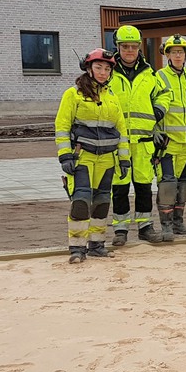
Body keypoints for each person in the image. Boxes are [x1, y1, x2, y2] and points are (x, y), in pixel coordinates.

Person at [55, 48, 129, 262]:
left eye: (107, 69)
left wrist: (124, 159)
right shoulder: (73, 94)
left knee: (102, 202)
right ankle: (77, 248)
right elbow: (62, 126)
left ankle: (97, 244)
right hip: (83, 156)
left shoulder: (112, 98)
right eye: (98, 67)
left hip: (107, 158)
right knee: (81, 201)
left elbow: (121, 131)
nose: (103, 72)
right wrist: (65, 156)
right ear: (88, 68)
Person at [108, 25, 166, 246]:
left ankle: (145, 227)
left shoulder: (150, 73)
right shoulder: (109, 72)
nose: (130, 50)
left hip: (143, 141)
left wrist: (158, 111)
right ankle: (120, 229)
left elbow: (163, 95)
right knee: (119, 186)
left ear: (139, 48)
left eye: (133, 46)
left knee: (143, 186)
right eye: (125, 46)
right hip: (118, 142)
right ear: (118, 47)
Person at [154, 34, 186, 240]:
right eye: (173, 52)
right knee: (167, 184)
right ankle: (165, 225)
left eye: (180, 52)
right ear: (167, 55)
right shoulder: (158, 78)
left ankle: (178, 223)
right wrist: (154, 130)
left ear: (185, 55)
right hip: (167, 144)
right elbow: (150, 107)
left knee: (183, 184)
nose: (177, 55)